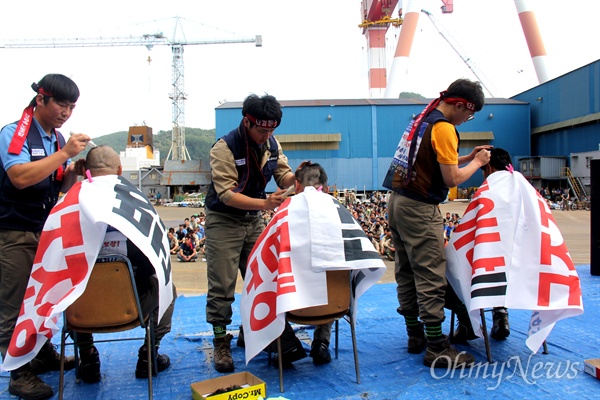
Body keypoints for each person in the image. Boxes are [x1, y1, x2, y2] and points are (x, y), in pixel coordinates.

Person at [382, 78, 491, 369]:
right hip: (419, 208)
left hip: (397, 201)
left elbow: (431, 160)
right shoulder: (444, 128)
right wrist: (478, 163)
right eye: (469, 114)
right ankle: (437, 347)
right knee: (431, 277)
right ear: (459, 105)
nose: (468, 119)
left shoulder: (423, 118)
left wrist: (465, 156)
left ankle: (414, 334)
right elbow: (451, 178)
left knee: (405, 271)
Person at [0, 74, 91, 400]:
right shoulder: (14, 133)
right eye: (61, 105)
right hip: (13, 232)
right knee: (13, 304)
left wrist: (71, 173)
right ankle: (18, 373)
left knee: (42, 299)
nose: (66, 112)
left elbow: (54, 186)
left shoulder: (55, 138)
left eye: (71, 107)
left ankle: (40, 354)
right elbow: (20, 177)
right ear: (41, 99)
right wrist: (64, 153)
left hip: (42, 230)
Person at [203, 93, 296, 372]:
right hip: (224, 220)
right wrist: (266, 203)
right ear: (247, 121)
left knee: (263, 278)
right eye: (262, 129)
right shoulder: (225, 148)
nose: (266, 135)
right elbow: (227, 195)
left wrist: (301, 178)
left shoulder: (272, 143)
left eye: (272, 130)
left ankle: (252, 331)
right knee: (222, 285)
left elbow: (284, 176)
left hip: (253, 220)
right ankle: (221, 342)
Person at [71, 145, 177, 383]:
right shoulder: (138, 209)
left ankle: (87, 357)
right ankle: (149, 354)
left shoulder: (68, 210)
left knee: (71, 287)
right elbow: (155, 265)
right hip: (131, 307)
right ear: (119, 169)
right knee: (166, 286)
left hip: (83, 311)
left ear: (85, 170)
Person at [479, 147, 513, 341]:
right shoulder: (529, 191)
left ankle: (467, 324)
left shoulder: (487, 193)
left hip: (491, 269)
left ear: (489, 168)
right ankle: (501, 313)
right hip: (528, 271)